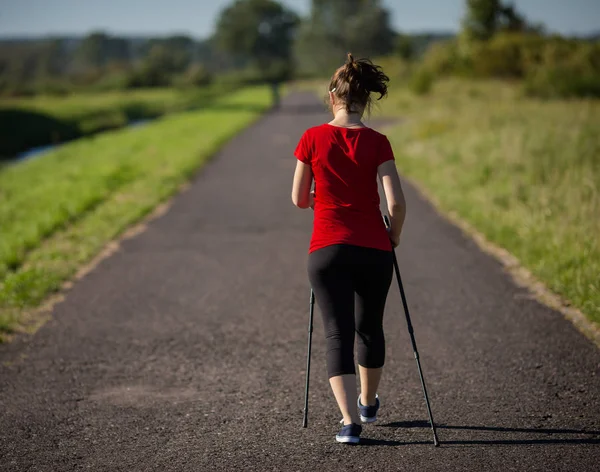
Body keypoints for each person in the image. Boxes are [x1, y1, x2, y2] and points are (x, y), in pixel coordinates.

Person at [291, 53, 406, 444]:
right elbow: (396, 205)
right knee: (369, 328)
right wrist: (394, 236)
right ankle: (368, 402)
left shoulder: (311, 138)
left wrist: (320, 195)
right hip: (373, 248)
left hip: (327, 250)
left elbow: (298, 199)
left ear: (332, 96)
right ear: (365, 100)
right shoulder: (378, 141)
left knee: (336, 333)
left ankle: (347, 424)